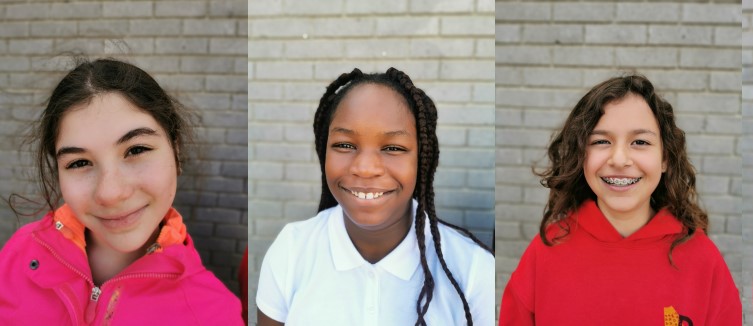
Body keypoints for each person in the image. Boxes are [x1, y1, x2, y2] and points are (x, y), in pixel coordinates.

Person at [0, 58, 241, 324]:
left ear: (177, 151)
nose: (110, 193)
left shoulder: (216, 314)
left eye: (136, 150)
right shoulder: (18, 255)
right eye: (79, 163)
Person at [256, 68, 494, 325]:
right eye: (345, 145)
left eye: (393, 148)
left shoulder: (473, 270)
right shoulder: (291, 250)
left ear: (422, 160)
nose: (366, 168)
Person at [499, 75, 742, 325]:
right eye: (601, 141)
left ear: (665, 158)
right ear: (581, 155)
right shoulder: (545, 252)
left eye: (640, 142)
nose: (619, 159)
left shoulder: (702, 258)